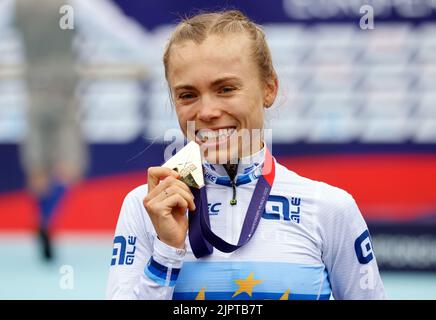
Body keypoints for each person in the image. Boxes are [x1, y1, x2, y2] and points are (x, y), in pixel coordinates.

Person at [106, 10, 386, 300]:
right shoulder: (145, 207)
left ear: (269, 89)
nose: (207, 112)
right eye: (188, 95)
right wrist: (166, 251)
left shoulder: (329, 208)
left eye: (226, 89)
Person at [14, 0, 88, 261]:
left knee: (39, 171)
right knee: (69, 167)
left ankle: (43, 222)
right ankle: (46, 221)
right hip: (63, 95)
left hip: (34, 93)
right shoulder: (74, 5)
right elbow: (113, 31)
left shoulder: (15, 5)